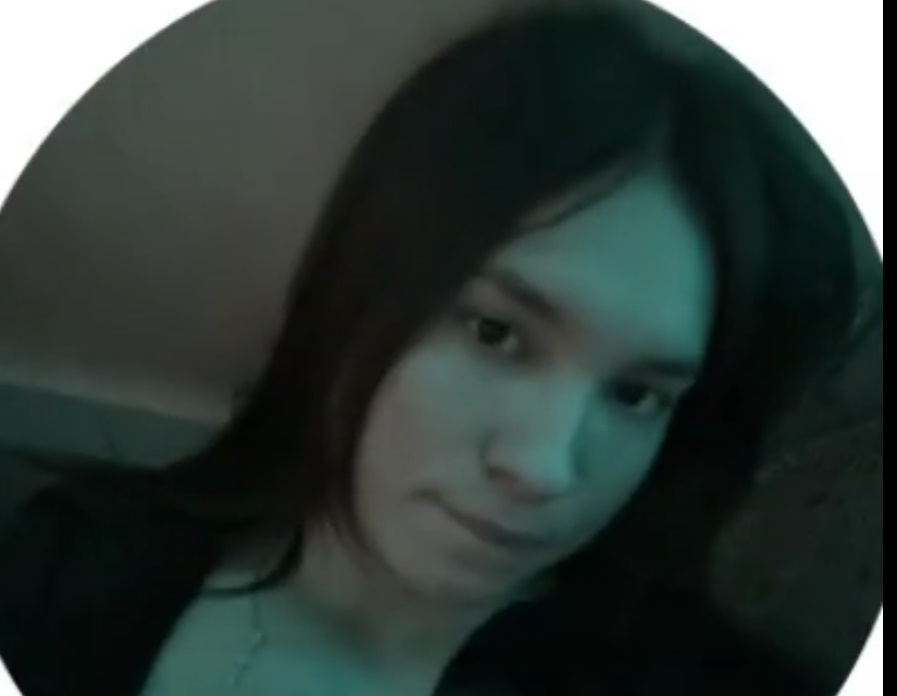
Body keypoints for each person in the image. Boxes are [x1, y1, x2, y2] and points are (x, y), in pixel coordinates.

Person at [0, 4, 859, 695]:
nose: (544, 468)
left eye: (635, 393)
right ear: (361, 291)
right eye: (494, 332)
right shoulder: (72, 567)